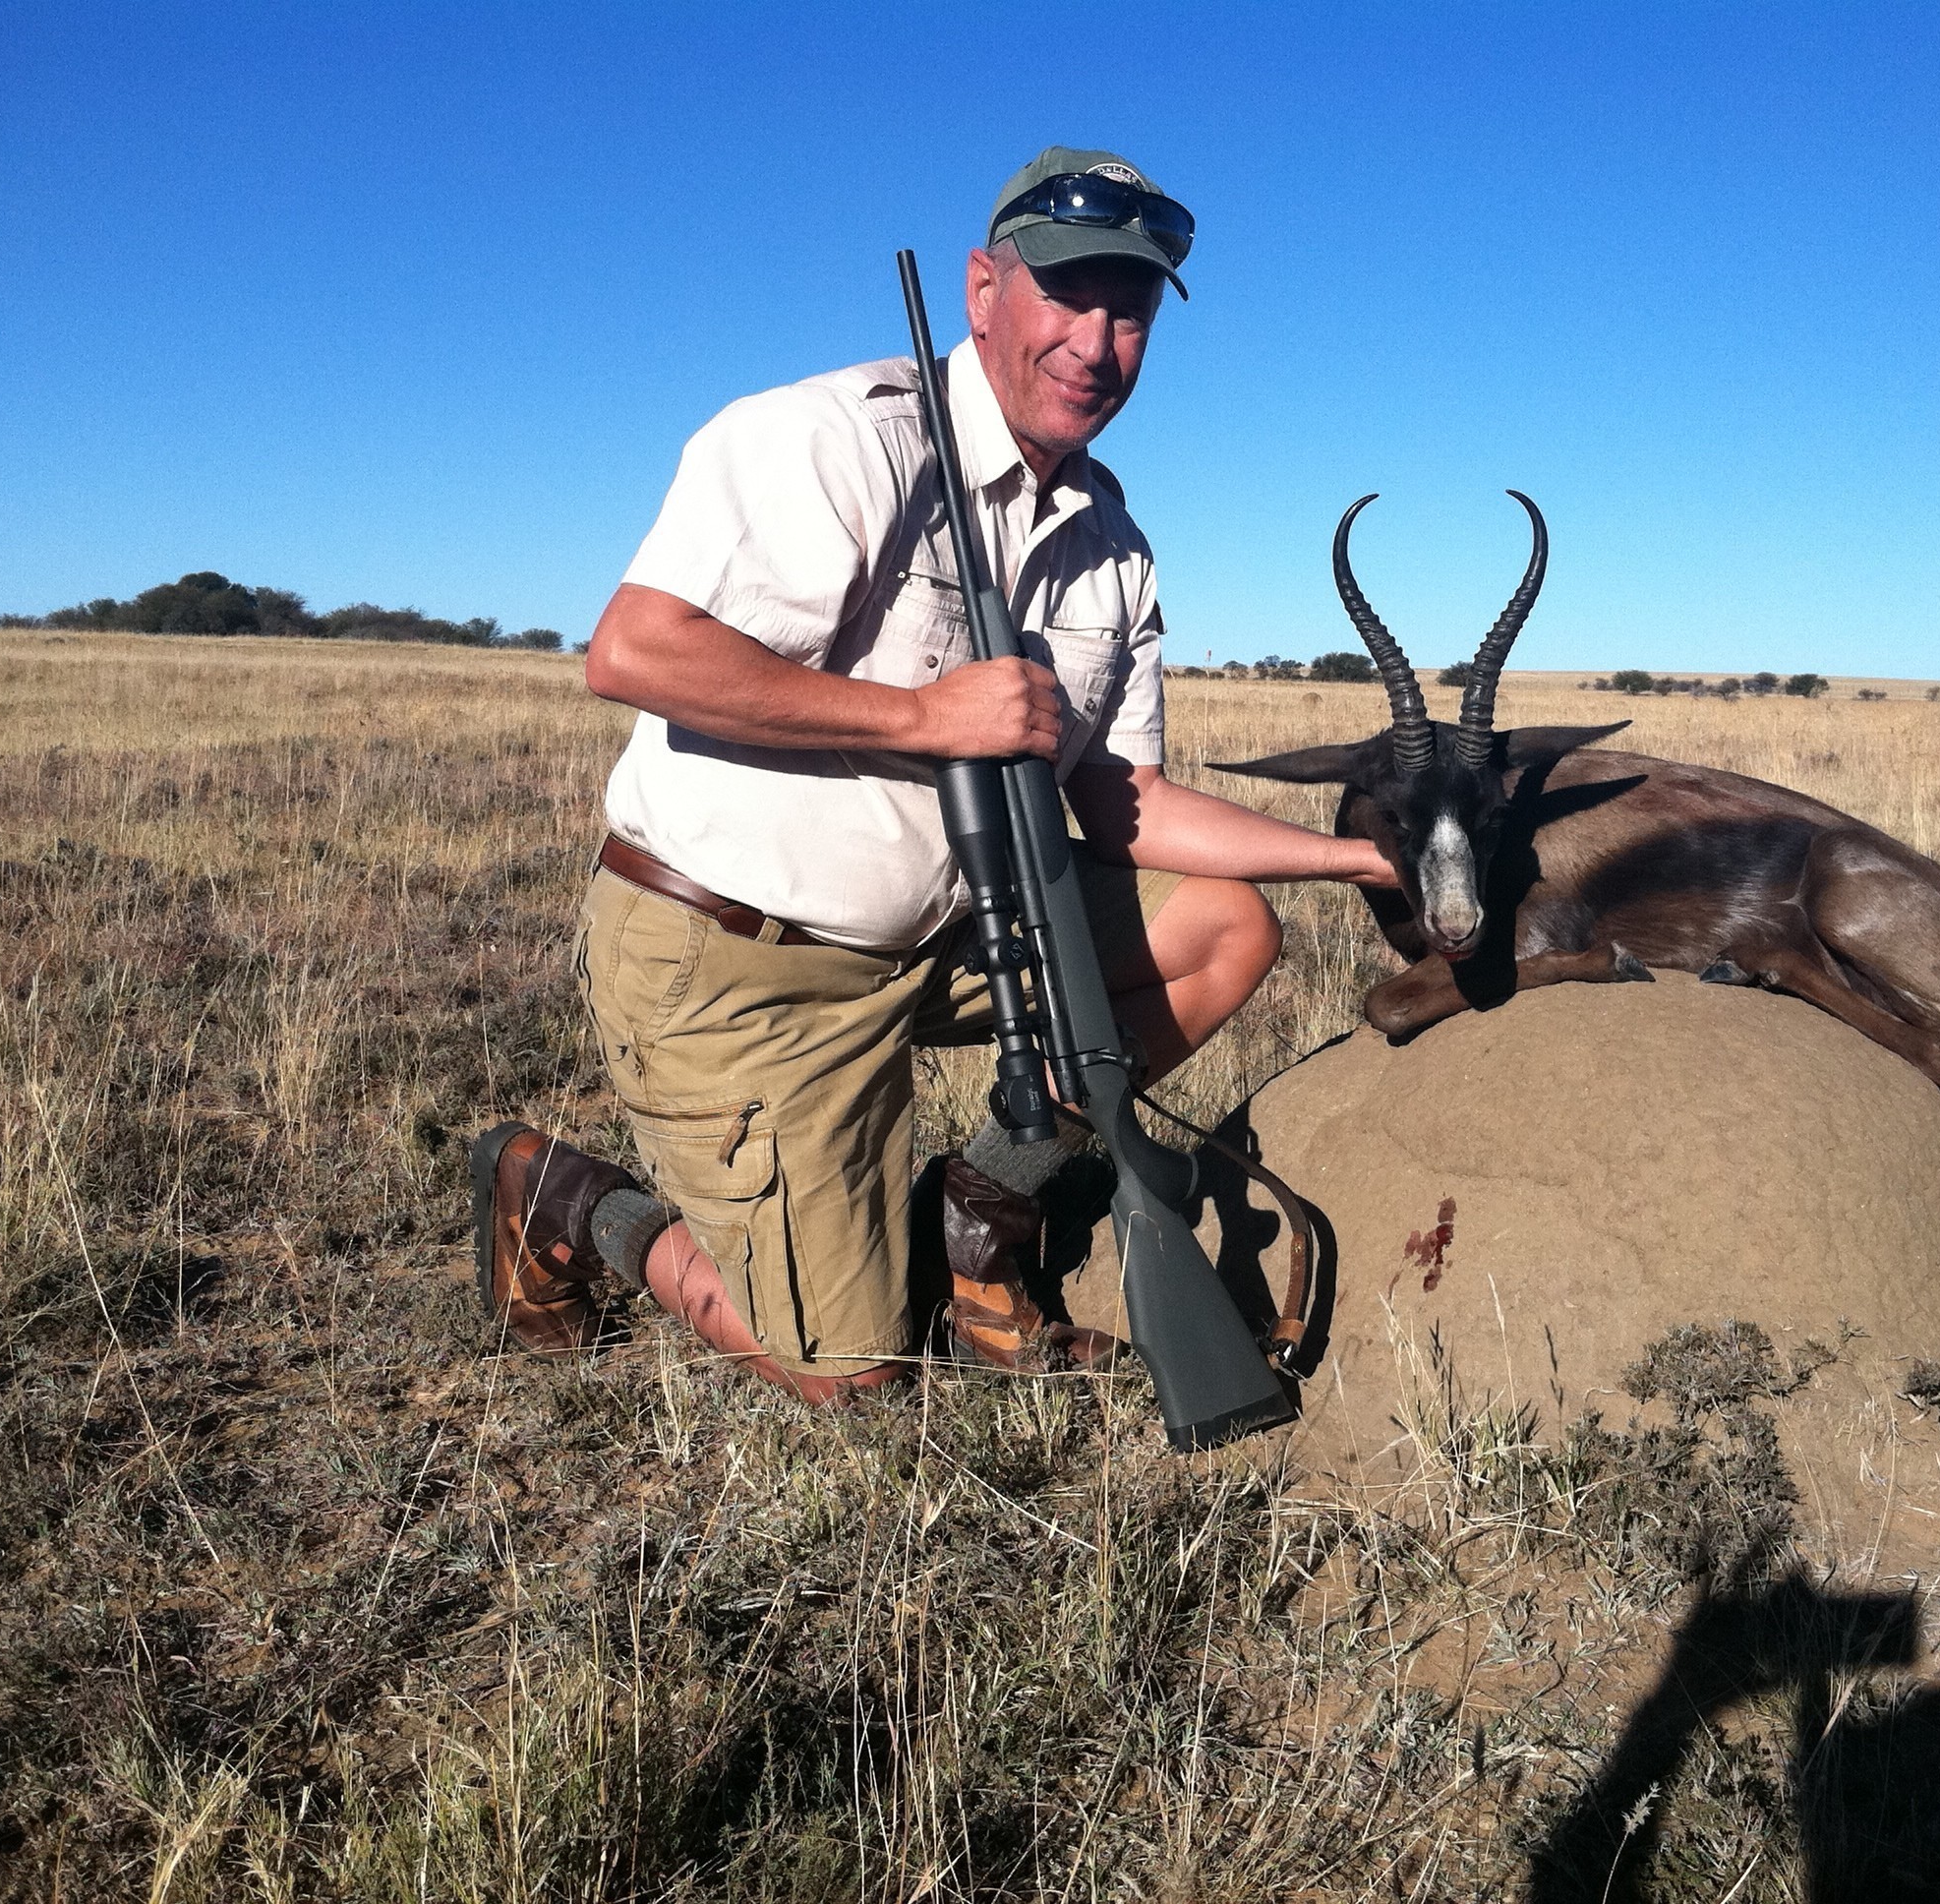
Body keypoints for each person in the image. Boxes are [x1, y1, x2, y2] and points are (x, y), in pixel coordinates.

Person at [472, 147, 1394, 1403]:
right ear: (981, 289)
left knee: (1225, 926)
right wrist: (920, 715)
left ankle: (985, 1202)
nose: (1097, 342)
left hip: (954, 936)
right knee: (855, 1376)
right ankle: (561, 1193)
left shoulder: (1111, 542)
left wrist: (1349, 855)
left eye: (1130, 310)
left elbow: (1118, 800)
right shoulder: (833, 438)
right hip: (739, 959)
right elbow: (635, 649)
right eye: (1067, 295)